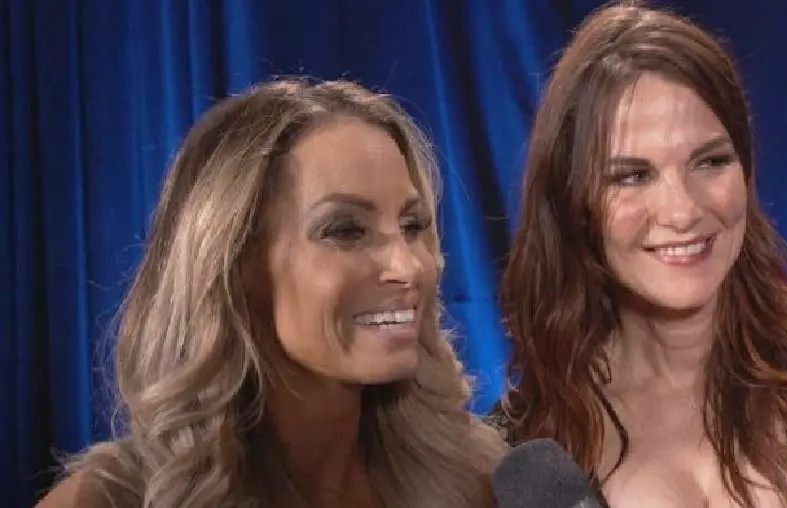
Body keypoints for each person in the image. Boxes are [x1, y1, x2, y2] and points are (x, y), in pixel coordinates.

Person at [487, 3, 787, 508]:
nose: (682, 210)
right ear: (574, 202)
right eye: (632, 176)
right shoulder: (518, 449)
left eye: (710, 161)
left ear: (746, 171)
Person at [36, 78, 505, 508]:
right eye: (345, 230)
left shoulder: (478, 478)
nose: (408, 266)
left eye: (412, 225)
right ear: (236, 265)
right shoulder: (108, 501)